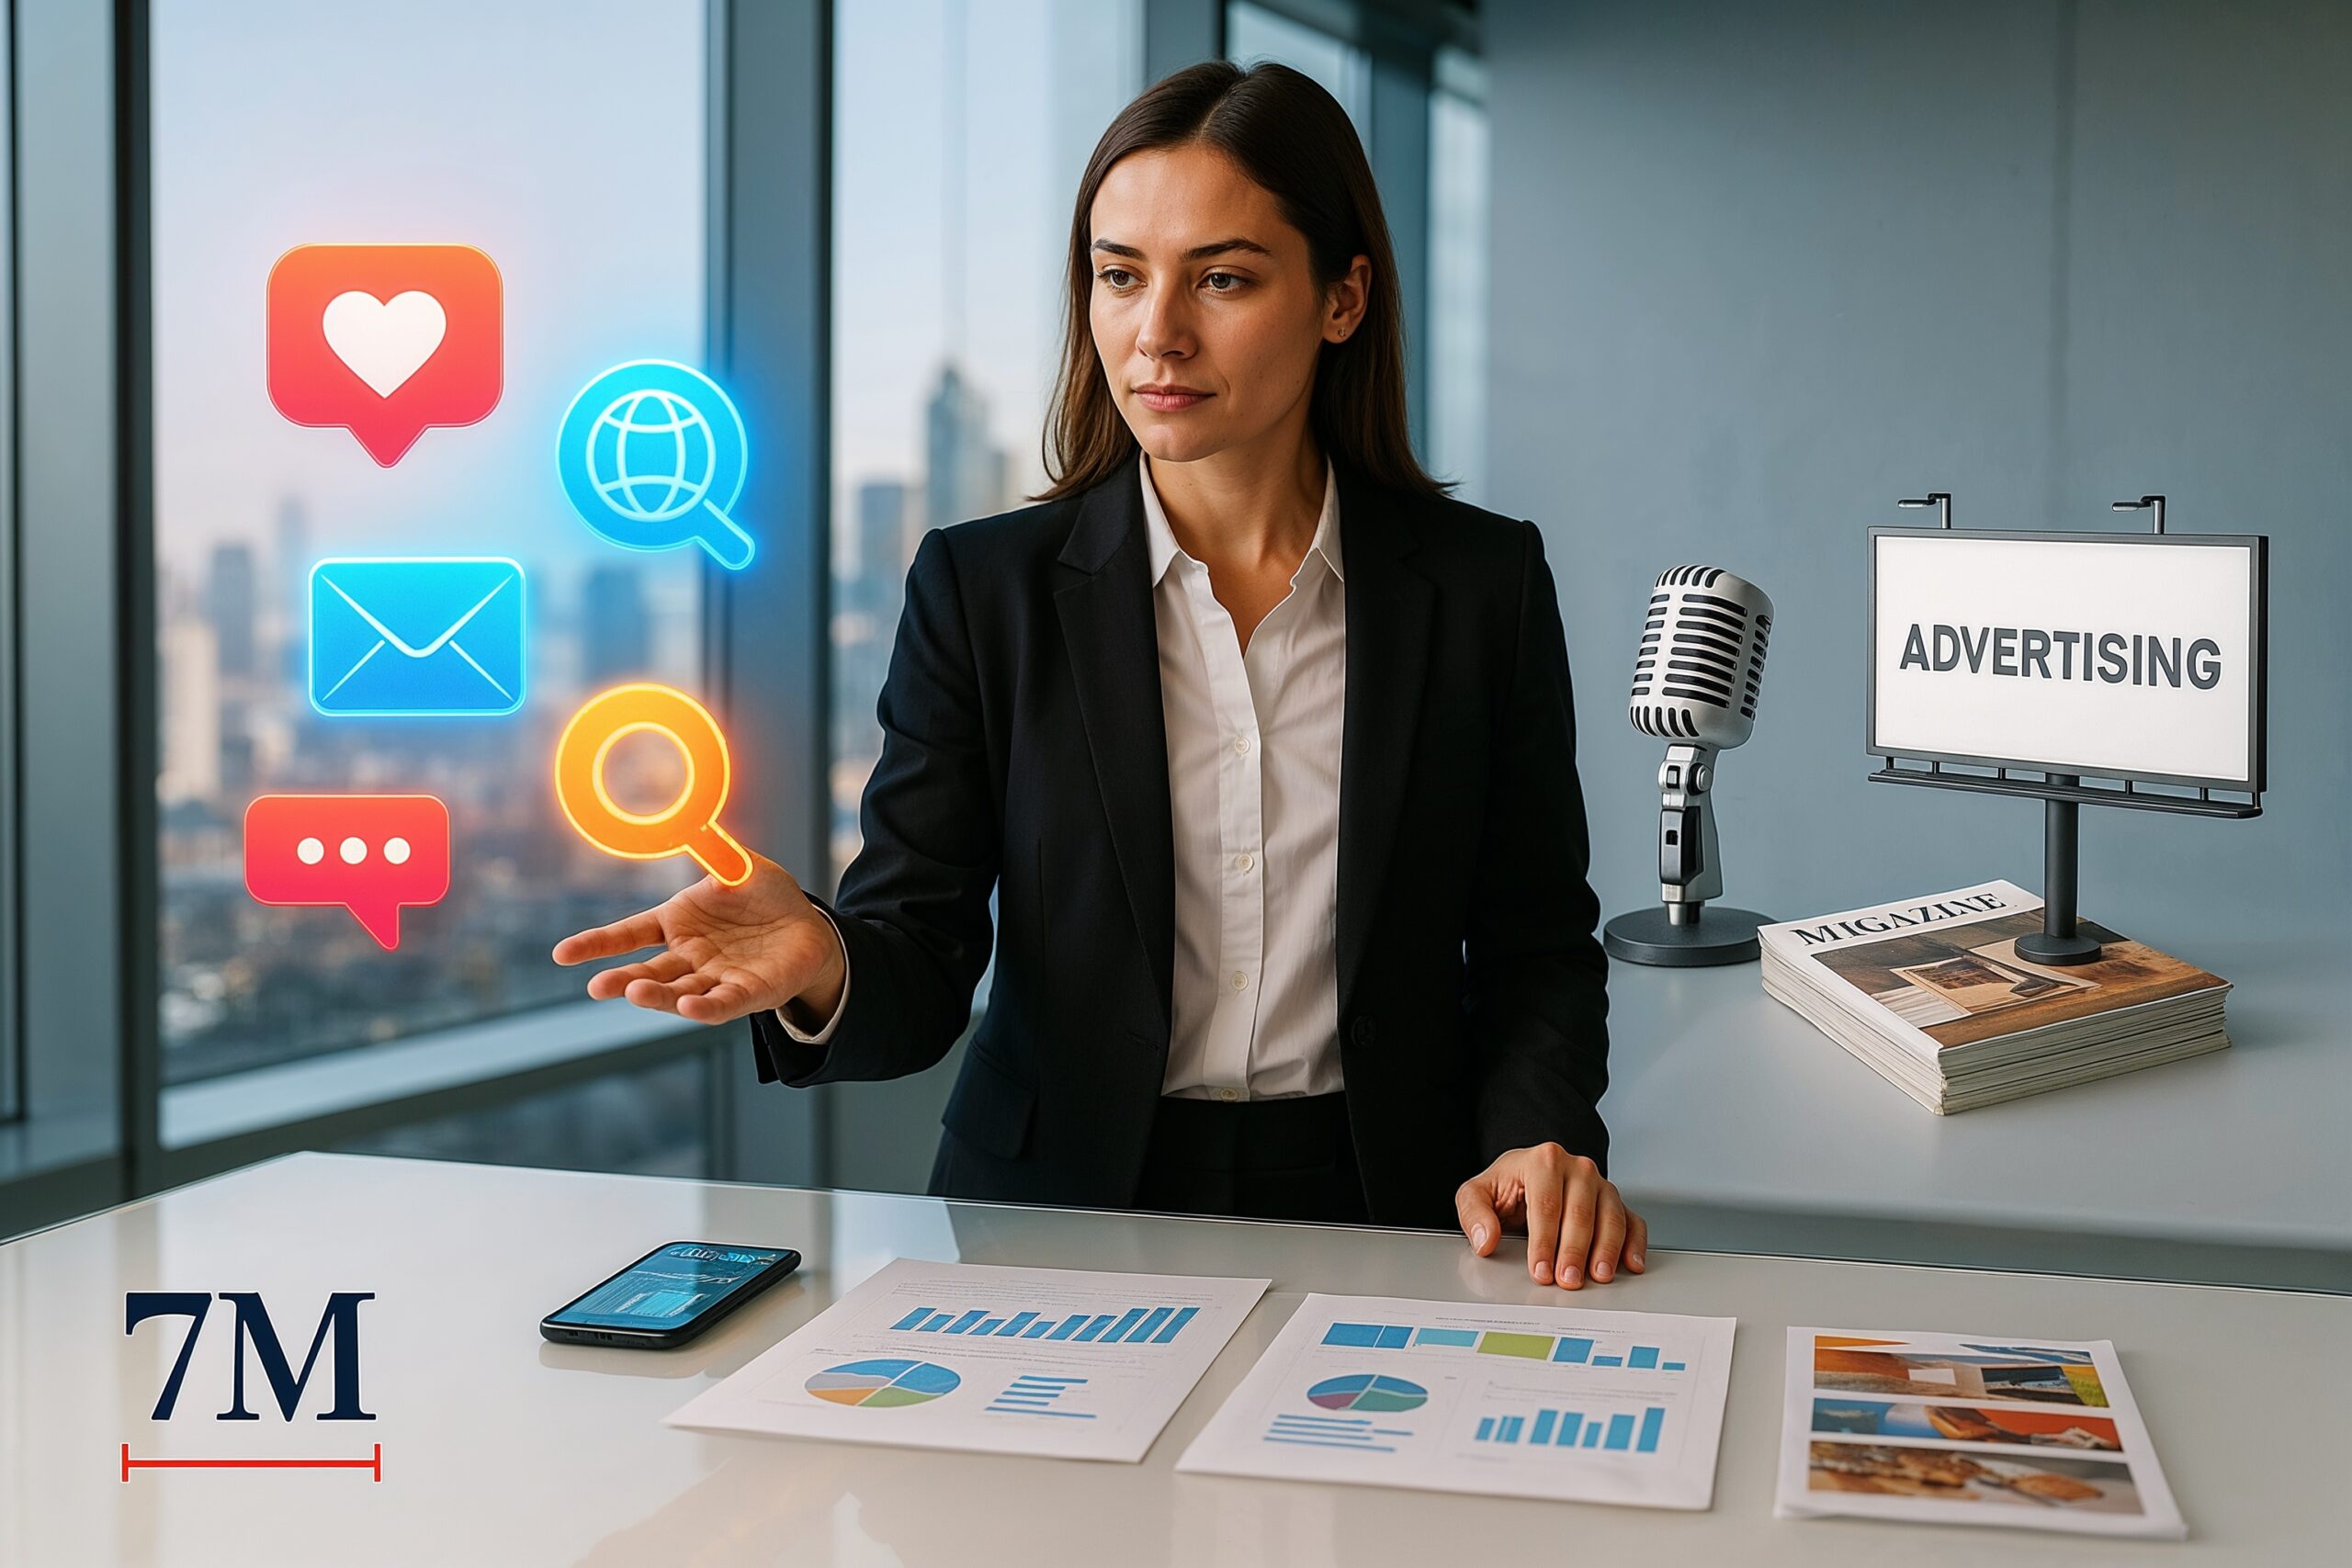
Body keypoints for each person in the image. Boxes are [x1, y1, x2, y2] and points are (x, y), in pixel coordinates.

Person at [554, 61, 1645, 1291]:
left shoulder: (1480, 585)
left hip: (1395, 1202)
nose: (1155, 331)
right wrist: (825, 964)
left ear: (1342, 300)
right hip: (1057, 1211)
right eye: (1119, 274)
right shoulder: (986, 591)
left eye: (1221, 279)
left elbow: (1535, 941)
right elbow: (917, 950)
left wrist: (1537, 1137)